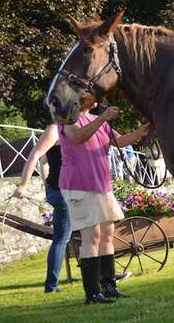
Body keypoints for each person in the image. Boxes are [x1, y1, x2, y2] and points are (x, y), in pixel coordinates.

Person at [58, 105, 148, 304]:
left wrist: (142, 130)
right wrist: (102, 118)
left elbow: (120, 141)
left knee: (107, 234)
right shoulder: (67, 118)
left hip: (101, 185)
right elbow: (77, 138)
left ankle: (109, 287)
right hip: (79, 185)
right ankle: (92, 294)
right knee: (92, 236)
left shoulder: (98, 120)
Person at [13, 124, 71, 294]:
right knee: (62, 239)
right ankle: (51, 286)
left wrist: (47, 186)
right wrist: (23, 185)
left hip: (70, 189)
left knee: (89, 232)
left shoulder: (74, 128)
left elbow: (45, 162)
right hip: (63, 192)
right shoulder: (54, 129)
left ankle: (103, 275)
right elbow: (35, 155)